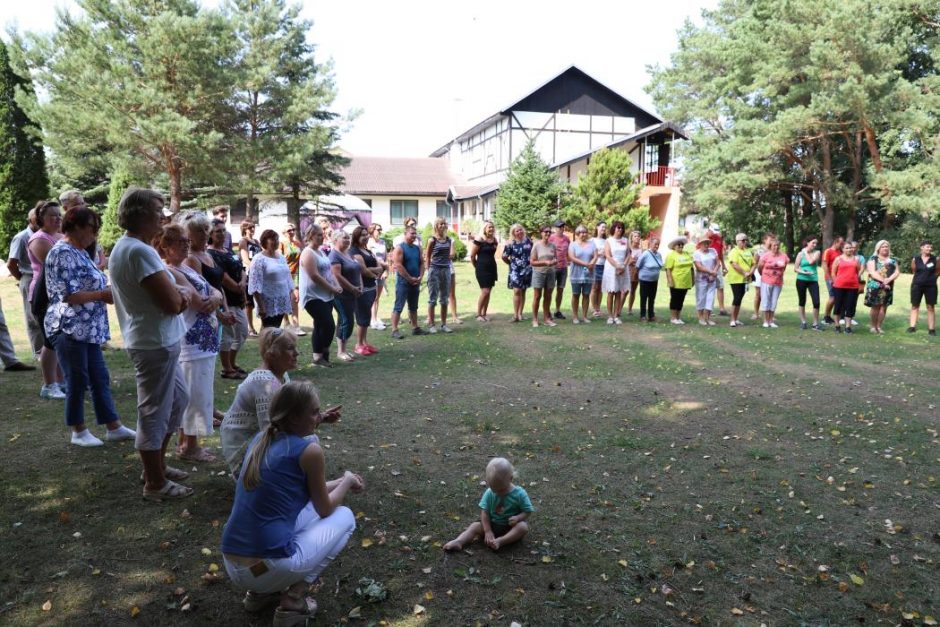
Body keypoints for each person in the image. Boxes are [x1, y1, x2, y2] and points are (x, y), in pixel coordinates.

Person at [221, 381, 363, 623]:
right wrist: (348, 481)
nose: (320, 416)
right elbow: (326, 508)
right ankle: (293, 600)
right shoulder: (309, 451)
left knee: (301, 511)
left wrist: (339, 480)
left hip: (232, 561)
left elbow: (302, 490)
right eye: (315, 412)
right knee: (346, 517)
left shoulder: (261, 439)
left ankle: (259, 594)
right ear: (295, 417)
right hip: (265, 567)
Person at [110, 188, 193, 500]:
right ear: (142, 214)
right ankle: (155, 483)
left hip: (159, 340)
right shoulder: (138, 251)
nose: (164, 216)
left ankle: (155, 467)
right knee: (154, 412)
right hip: (153, 343)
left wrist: (179, 294)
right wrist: (183, 295)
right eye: (159, 210)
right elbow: (173, 303)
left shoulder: (130, 247)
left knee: (176, 402)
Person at [45, 206, 135, 446]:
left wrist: (102, 293)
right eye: (92, 228)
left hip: (88, 329)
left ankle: (113, 425)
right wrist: (102, 295)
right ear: (75, 226)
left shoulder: (80, 251)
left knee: (99, 377)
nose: (95, 234)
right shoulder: (62, 252)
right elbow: (69, 295)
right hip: (69, 327)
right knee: (77, 378)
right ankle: (78, 430)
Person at [156, 224, 224, 463]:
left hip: (204, 341)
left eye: (187, 241)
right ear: (165, 246)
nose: (186, 245)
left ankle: (189, 442)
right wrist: (214, 299)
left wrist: (216, 297)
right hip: (192, 342)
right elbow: (199, 302)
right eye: (180, 242)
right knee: (194, 393)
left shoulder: (186, 267)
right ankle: (189, 445)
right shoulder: (169, 271)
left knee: (200, 391)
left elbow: (215, 292)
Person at [443, 457, 533, 552]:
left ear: (510, 479)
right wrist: (487, 530)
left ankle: (501, 541)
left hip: (510, 528)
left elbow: (527, 511)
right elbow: (484, 512)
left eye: (501, 489)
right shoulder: (490, 492)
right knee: (474, 526)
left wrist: (518, 518)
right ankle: (459, 541)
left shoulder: (520, 494)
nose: (497, 493)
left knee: (523, 527)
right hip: (492, 525)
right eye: (493, 488)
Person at [27, 200, 66, 399]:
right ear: (41, 219)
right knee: (50, 340)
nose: (58, 218)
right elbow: (56, 266)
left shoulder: (59, 236)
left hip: (58, 295)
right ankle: (49, 385)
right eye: (53, 215)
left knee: (59, 338)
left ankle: (60, 381)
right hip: (43, 295)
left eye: (59, 215)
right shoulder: (39, 239)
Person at [209, 218, 249, 379]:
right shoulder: (210, 253)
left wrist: (243, 282)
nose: (222, 234)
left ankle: (232, 363)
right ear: (210, 234)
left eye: (223, 230)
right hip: (226, 300)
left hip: (238, 298)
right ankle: (227, 368)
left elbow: (241, 268)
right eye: (218, 231)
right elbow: (222, 276)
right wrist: (236, 286)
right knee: (227, 335)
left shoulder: (228, 251)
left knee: (242, 332)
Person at [299, 224, 342, 366]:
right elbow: (314, 276)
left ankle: (318, 357)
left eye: (322, 234)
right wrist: (332, 288)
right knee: (329, 325)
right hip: (313, 295)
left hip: (326, 294)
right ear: (310, 236)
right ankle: (324, 352)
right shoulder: (307, 252)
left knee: (319, 325)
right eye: (318, 234)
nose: (321, 237)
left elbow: (329, 271)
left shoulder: (321, 252)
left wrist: (336, 285)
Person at [7, 207, 42, 361]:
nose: (40, 219)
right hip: (28, 277)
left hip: (43, 278)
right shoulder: (21, 238)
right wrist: (22, 278)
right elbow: (11, 264)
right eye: (37, 217)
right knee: (32, 317)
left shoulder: (46, 235)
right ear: (30, 220)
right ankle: (39, 352)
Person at [249, 229, 298, 330]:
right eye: (272, 239)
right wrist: (261, 305)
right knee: (268, 330)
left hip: (281, 300)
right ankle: (265, 346)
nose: (276, 241)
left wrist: (293, 290)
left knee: (276, 329)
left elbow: (287, 277)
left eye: (277, 239)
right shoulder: (258, 259)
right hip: (268, 303)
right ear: (264, 241)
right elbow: (254, 285)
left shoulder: (281, 258)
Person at [329, 230, 363, 360]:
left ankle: (344, 349)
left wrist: (360, 286)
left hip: (353, 293)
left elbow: (358, 270)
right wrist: (352, 288)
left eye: (348, 238)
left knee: (347, 320)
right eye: (344, 238)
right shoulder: (334, 256)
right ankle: (340, 351)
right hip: (342, 294)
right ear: (336, 239)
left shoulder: (348, 254)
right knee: (345, 320)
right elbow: (337, 275)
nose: (348, 240)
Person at [349, 226, 383, 355]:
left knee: (367, 316)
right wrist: (375, 271)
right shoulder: (354, 251)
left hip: (371, 287)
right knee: (362, 317)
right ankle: (358, 344)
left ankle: (364, 342)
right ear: (356, 237)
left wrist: (374, 270)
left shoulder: (367, 250)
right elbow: (363, 271)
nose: (365, 237)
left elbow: (378, 266)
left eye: (366, 234)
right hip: (362, 288)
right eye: (362, 235)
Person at [389, 225, 427, 339]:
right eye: (412, 233)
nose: (414, 236)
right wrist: (409, 278)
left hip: (415, 282)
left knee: (413, 306)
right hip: (403, 282)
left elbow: (422, 263)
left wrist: (420, 276)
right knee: (399, 306)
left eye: (415, 234)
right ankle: (394, 330)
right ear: (405, 234)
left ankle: (415, 328)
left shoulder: (417, 248)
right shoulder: (400, 248)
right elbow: (398, 265)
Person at [425, 217, 455, 333]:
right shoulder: (432, 240)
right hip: (434, 270)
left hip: (446, 270)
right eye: (440, 224)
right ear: (436, 226)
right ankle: (432, 325)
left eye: (444, 224)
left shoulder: (448, 240)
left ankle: (443, 324)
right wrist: (428, 271)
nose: (443, 226)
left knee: (444, 299)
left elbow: (452, 255)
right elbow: (427, 257)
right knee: (433, 299)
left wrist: (451, 244)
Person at [864, 239, 899, 334]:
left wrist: (889, 279)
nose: (885, 248)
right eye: (883, 246)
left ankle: (879, 326)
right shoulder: (873, 259)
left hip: (888, 286)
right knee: (875, 306)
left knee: (884, 306)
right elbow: (872, 272)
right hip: (875, 286)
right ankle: (872, 326)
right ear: (878, 248)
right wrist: (884, 281)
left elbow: (897, 272)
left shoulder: (893, 260)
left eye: (887, 246)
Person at [601, 221, 631, 325]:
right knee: (611, 292)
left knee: (619, 292)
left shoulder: (625, 240)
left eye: (622, 228)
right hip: (611, 268)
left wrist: (623, 266)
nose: (620, 229)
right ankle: (609, 316)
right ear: (614, 228)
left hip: (623, 268)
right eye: (618, 227)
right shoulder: (609, 240)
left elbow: (628, 254)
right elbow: (608, 255)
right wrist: (617, 266)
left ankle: (616, 315)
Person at [502, 223, 532, 323]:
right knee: (517, 291)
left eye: (520, 230)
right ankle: (515, 315)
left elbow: (532, 253)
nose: (519, 232)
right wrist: (511, 264)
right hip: (515, 271)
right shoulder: (510, 243)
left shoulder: (528, 241)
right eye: (517, 231)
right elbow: (504, 256)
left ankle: (520, 314)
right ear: (513, 233)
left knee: (523, 291)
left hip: (527, 270)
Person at [567, 225, 597, 324]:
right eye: (581, 232)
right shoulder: (573, 244)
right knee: (576, 294)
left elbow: (595, 255)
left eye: (585, 232)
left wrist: (592, 263)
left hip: (589, 273)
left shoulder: (592, 244)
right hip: (576, 273)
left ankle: (584, 316)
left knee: (586, 294)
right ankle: (575, 317)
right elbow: (572, 257)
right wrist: (586, 264)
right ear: (577, 234)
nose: (584, 234)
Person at [831, 241, 863, 333]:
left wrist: (857, 277)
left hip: (853, 287)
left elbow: (859, 269)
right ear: (842, 249)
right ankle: (837, 326)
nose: (849, 249)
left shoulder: (856, 259)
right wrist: (835, 281)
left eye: (850, 248)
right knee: (838, 306)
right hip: (839, 286)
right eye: (847, 248)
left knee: (850, 306)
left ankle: (848, 327)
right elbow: (833, 272)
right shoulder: (838, 259)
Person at [470, 220, 498, 322]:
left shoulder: (494, 240)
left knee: (488, 292)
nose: (491, 229)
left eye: (492, 227)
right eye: (489, 227)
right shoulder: (479, 239)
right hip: (482, 268)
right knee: (485, 291)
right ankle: (478, 314)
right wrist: (476, 267)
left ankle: (484, 313)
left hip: (492, 267)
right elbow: (472, 256)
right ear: (484, 229)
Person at [530, 225, 557, 328]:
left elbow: (555, 259)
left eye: (549, 232)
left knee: (548, 296)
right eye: (546, 232)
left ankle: (546, 319)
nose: (548, 234)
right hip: (539, 273)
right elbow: (532, 262)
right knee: (537, 297)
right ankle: (535, 319)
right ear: (541, 233)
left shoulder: (553, 246)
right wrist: (544, 262)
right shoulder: (536, 245)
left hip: (551, 273)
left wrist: (554, 262)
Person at [908, 241, 938, 335]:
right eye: (927, 247)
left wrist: (931, 279)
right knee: (915, 305)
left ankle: (931, 329)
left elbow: (938, 271)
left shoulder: (935, 259)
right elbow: (914, 270)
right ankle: (912, 327)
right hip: (917, 285)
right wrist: (920, 279)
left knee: (930, 307)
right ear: (922, 248)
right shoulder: (915, 259)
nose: (929, 249)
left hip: (931, 286)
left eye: (930, 247)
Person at [279, 223, 304, 335]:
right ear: (284, 233)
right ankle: (286, 323)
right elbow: (279, 258)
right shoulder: (281, 243)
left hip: (296, 274)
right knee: (284, 299)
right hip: (284, 274)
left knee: (294, 299)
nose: (292, 232)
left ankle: (296, 325)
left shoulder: (298, 243)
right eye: (289, 230)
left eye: (293, 229)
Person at [757, 238, 788, 328]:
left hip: (778, 282)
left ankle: (771, 321)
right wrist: (763, 275)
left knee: (774, 301)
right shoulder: (766, 256)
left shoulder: (783, 256)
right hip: (766, 281)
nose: (776, 247)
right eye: (774, 245)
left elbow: (784, 267)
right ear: (771, 246)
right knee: (766, 300)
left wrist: (779, 274)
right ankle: (765, 321)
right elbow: (760, 267)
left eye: (777, 245)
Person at [238, 220, 262, 336]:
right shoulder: (243, 241)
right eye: (250, 227)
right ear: (244, 229)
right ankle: (250, 328)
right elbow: (245, 259)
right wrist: (254, 269)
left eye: (253, 227)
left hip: (258, 273)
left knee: (260, 299)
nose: (252, 229)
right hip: (248, 273)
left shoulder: (257, 241)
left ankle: (263, 325)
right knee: (249, 302)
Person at [726, 233, 754, 327]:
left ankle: (736, 318)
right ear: (737, 241)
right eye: (743, 240)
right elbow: (734, 264)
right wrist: (744, 273)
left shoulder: (748, 251)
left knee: (740, 299)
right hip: (736, 279)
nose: (745, 242)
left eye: (746, 240)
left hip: (745, 279)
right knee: (737, 298)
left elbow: (754, 263)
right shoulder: (734, 251)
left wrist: (751, 272)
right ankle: (732, 320)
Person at [794, 236, 822, 330]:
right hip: (801, 280)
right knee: (802, 301)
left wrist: (805, 252)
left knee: (816, 302)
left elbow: (811, 262)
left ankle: (815, 324)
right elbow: (796, 268)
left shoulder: (817, 253)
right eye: (813, 243)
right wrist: (804, 272)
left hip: (813, 280)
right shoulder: (800, 254)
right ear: (807, 243)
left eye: (816, 243)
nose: (814, 245)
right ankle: (803, 322)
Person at [664, 237, 693, 324]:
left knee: (681, 299)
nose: (681, 246)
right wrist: (670, 281)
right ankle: (673, 318)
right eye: (678, 244)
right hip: (676, 281)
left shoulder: (687, 254)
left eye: (682, 244)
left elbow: (691, 267)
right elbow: (668, 269)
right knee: (675, 299)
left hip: (686, 281)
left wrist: (693, 279)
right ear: (674, 247)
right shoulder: (671, 255)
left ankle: (678, 317)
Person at [635, 237, 663, 322]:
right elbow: (637, 266)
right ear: (650, 244)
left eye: (658, 244)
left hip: (654, 280)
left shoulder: (659, 254)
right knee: (644, 298)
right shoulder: (645, 254)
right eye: (655, 244)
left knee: (652, 298)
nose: (657, 246)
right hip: (644, 280)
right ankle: (642, 315)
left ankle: (651, 315)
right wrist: (637, 277)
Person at [692, 236, 720, 326]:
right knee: (701, 298)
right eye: (704, 243)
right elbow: (699, 267)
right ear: (700, 244)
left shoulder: (713, 251)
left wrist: (714, 272)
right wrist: (711, 272)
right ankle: (701, 318)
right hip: (701, 280)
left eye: (707, 243)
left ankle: (707, 318)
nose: (706, 244)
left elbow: (718, 262)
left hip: (712, 279)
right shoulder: (696, 253)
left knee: (710, 298)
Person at [366, 223, 389, 329]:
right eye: (378, 229)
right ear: (372, 230)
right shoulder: (367, 242)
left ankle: (375, 317)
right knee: (373, 297)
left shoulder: (382, 242)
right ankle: (372, 319)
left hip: (382, 272)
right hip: (372, 272)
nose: (380, 231)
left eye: (381, 229)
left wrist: (386, 271)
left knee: (377, 297)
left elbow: (385, 258)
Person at [549, 220, 570, 319]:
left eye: (562, 227)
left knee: (560, 290)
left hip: (563, 268)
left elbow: (568, 252)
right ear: (555, 228)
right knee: (550, 289)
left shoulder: (567, 239)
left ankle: (557, 310)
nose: (561, 229)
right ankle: (547, 310)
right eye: (559, 227)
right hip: (553, 268)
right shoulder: (551, 238)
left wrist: (569, 260)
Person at [706, 226, 729, 315]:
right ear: (709, 230)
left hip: (718, 266)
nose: (716, 233)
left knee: (720, 287)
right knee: (708, 288)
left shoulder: (719, 238)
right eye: (714, 232)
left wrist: (723, 265)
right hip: (708, 267)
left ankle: (722, 309)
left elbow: (720, 254)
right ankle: (707, 309)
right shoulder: (705, 239)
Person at [822, 236, 845, 324]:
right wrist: (830, 278)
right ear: (835, 242)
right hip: (830, 278)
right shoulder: (828, 251)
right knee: (832, 297)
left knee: (836, 298)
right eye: (841, 243)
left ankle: (829, 316)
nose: (842, 245)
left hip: (838, 279)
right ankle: (825, 317)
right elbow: (824, 266)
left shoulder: (839, 252)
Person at [752, 232, 774, 320]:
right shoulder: (760, 250)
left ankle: (770, 314)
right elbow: (755, 262)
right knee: (758, 294)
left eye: (773, 240)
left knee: (770, 294)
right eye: (770, 240)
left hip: (771, 274)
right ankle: (756, 313)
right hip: (759, 273)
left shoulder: (774, 250)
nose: (772, 241)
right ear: (765, 240)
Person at [590, 222, 608, 318]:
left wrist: (604, 253)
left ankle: (598, 308)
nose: (604, 229)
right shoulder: (592, 240)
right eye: (602, 227)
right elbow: (589, 253)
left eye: (605, 227)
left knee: (601, 288)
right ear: (597, 228)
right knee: (594, 287)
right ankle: (594, 308)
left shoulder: (607, 241)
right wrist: (598, 254)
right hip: (595, 265)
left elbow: (608, 253)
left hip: (604, 266)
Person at [625, 230, 643, 315]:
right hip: (627, 271)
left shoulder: (641, 250)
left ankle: (629, 309)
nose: (637, 238)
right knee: (625, 291)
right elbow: (624, 261)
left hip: (636, 272)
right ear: (631, 238)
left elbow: (642, 262)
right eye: (635, 236)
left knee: (633, 291)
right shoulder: (627, 248)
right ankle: (618, 309)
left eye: (638, 236)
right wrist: (630, 261)